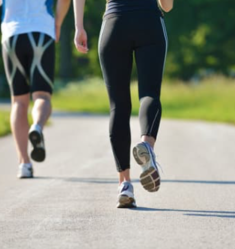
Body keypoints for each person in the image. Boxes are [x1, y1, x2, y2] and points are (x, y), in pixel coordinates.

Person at [73, 0, 174, 208]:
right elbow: (167, 6)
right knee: (149, 93)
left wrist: (79, 27)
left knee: (118, 105)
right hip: (149, 22)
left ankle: (125, 184)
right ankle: (146, 145)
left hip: (114, 22)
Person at [0, 0, 72, 178]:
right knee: (42, 96)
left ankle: (24, 164)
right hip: (42, 31)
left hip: (12, 35)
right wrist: (58, 23)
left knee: (19, 102)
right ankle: (36, 126)